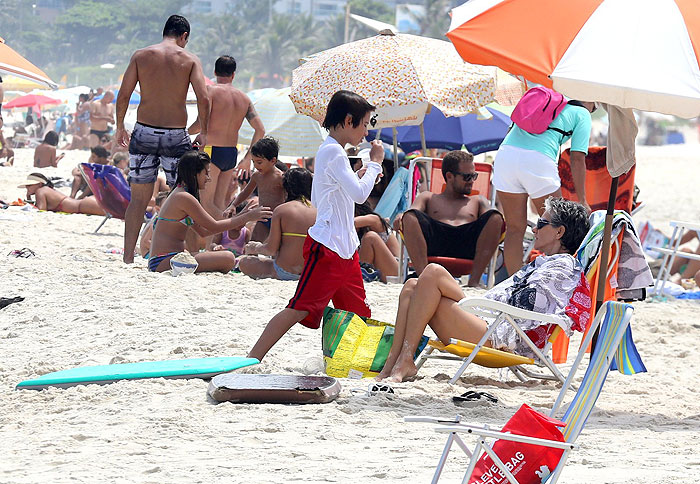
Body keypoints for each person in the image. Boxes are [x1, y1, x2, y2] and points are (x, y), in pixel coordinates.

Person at [377, 197, 591, 382]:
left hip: (497, 337)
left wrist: (480, 308)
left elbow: (528, 311)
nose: (534, 229)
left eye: (541, 223)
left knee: (432, 273)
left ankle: (405, 359)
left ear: (559, 232)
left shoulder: (562, 267)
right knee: (412, 286)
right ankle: (394, 362)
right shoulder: (545, 262)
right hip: (489, 323)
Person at [248, 90, 384, 361]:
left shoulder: (333, 152)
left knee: (359, 314)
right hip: (329, 248)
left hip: (345, 249)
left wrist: (363, 173)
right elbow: (360, 195)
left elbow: (345, 191)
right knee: (299, 307)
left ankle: (362, 364)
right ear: (348, 121)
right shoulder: (333, 151)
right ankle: (253, 357)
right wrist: (375, 165)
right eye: (365, 124)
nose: (366, 132)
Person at [116, 14, 210, 264]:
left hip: (144, 131)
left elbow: (124, 95)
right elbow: (204, 98)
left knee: (138, 200)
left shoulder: (141, 55)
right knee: (185, 196)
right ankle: (190, 255)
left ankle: (127, 257)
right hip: (175, 134)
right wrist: (203, 130)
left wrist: (119, 127)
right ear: (184, 36)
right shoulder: (189, 59)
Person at [494, 99, 595, 276]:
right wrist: (583, 200)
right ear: (590, 101)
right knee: (562, 227)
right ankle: (558, 278)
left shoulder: (545, 103)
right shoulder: (583, 113)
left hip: (505, 155)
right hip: (538, 160)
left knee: (514, 228)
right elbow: (577, 157)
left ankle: (513, 284)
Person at [148, 151, 272, 273]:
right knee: (228, 258)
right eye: (206, 173)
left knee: (226, 257)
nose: (208, 178)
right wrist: (247, 217)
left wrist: (242, 216)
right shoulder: (184, 197)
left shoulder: (180, 193)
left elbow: (204, 232)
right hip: (164, 261)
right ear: (194, 174)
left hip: (167, 259)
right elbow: (213, 227)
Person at [395, 150, 504, 286]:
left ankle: (474, 281)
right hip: (435, 243)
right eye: (467, 177)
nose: (472, 182)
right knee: (410, 217)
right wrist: (402, 216)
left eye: (474, 176)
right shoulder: (428, 197)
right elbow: (411, 214)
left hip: (467, 245)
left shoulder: (478, 201)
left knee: (495, 218)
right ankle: (424, 279)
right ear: (449, 176)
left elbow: (494, 222)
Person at [188, 55, 265, 215]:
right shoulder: (244, 98)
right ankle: (214, 239)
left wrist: (183, 131)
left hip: (210, 150)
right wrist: (247, 159)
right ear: (233, 75)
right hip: (230, 153)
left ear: (215, 71)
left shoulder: (210, 91)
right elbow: (260, 130)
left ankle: (231, 226)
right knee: (219, 203)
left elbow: (199, 125)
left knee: (205, 204)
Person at [239, 168, 316, 280]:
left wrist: (255, 248)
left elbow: (271, 249)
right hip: (309, 273)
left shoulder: (281, 210)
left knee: (244, 262)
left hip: (285, 271)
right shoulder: (317, 211)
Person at [231, 137, 285, 242]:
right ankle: (251, 257)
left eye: (259, 162)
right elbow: (245, 192)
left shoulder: (280, 177)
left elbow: (288, 197)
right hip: (262, 216)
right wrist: (234, 204)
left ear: (273, 160)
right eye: (253, 162)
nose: (255, 166)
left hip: (277, 217)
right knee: (254, 241)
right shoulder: (257, 176)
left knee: (277, 245)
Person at [18, 173, 106, 215]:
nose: (27, 187)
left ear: (40, 184)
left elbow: (41, 210)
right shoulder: (47, 190)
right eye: (26, 185)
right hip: (85, 204)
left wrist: (28, 198)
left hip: (84, 206)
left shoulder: (40, 191)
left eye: (30, 185)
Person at [355, 202, 399, 283]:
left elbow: (352, 223)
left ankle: (362, 277)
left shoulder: (375, 221)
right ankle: (362, 275)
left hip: (395, 272)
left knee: (370, 237)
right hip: (377, 272)